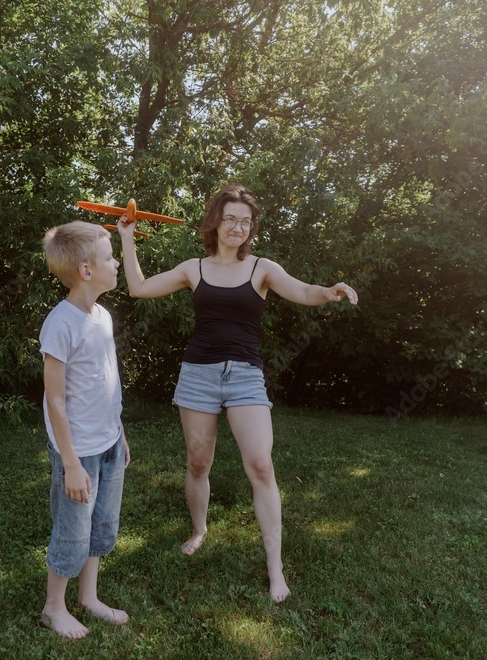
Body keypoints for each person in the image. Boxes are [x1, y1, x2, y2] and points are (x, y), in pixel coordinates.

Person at [117, 183, 358, 603]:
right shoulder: (194, 269)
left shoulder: (262, 268)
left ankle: (275, 569)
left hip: (245, 376)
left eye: (245, 222)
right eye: (230, 218)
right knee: (198, 463)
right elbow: (138, 287)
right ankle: (199, 530)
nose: (237, 227)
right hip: (198, 376)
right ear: (216, 222)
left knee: (262, 466)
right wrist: (126, 237)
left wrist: (328, 291)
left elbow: (303, 291)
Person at [39, 220, 130, 638]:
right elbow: (55, 400)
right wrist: (71, 464)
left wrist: (119, 431)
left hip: (108, 443)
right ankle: (53, 608)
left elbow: (106, 381)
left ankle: (88, 597)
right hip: (77, 452)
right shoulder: (61, 324)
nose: (117, 264)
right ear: (86, 271)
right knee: (73, 533)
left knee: (101, 526)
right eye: (110, 257)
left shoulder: (102, 316)